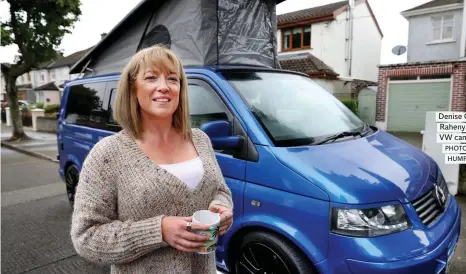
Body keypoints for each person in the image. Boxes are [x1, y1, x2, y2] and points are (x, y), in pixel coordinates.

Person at [70, 45, 234, 274]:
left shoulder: (200, 140)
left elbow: (221, 190)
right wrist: (159, 230)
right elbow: (86, 237)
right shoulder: (108, 154)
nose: (164, 87)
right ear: (132, 89)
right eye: (151, 77)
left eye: (172, 79)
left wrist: (222, 208)